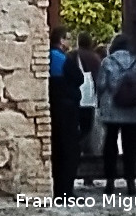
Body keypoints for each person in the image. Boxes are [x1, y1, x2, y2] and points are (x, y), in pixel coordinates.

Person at [97, 32, 136, 195]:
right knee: (130, 146)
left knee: (110, 144)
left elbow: (101, 84)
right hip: (133, 110)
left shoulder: (107, 62)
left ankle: (110, 181)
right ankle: (130, 181)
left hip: (112, 109)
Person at [49, 25, 83, 197]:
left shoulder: (48, 56)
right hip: (67, 109)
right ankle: (66, 190)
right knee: (69, 150)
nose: (69, 42)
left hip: (54, 108)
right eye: (68, 38)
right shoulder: (63, 59)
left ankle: (57, 187)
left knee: (56, 148)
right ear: (61, 40)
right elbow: (79, 78)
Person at [69, 32, 102, 154]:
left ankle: (76, 148)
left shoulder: (71, 55)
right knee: (88, 126)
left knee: (74, 125)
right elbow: (99, 78)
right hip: (90, 98)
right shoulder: (95, 58)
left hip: (75, 97)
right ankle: (86, 148)